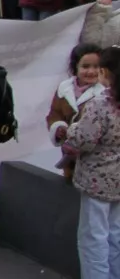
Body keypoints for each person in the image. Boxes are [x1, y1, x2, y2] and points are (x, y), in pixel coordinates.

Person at [55, 45, 120, 279]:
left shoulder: (101, 104)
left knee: (93, 236)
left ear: (105, 72)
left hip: (97, 179)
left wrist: (70, 131)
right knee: (116, 233)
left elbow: (84, 139)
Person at [48, 43, 104, 183]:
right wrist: (58, 127)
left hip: (95, 160)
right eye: (85, 66)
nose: (91, 71)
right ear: (75, 67)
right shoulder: (64, 88)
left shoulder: (105, 93)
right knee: (69, 183)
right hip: (68, 154)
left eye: (96, 66)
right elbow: (55, 113)